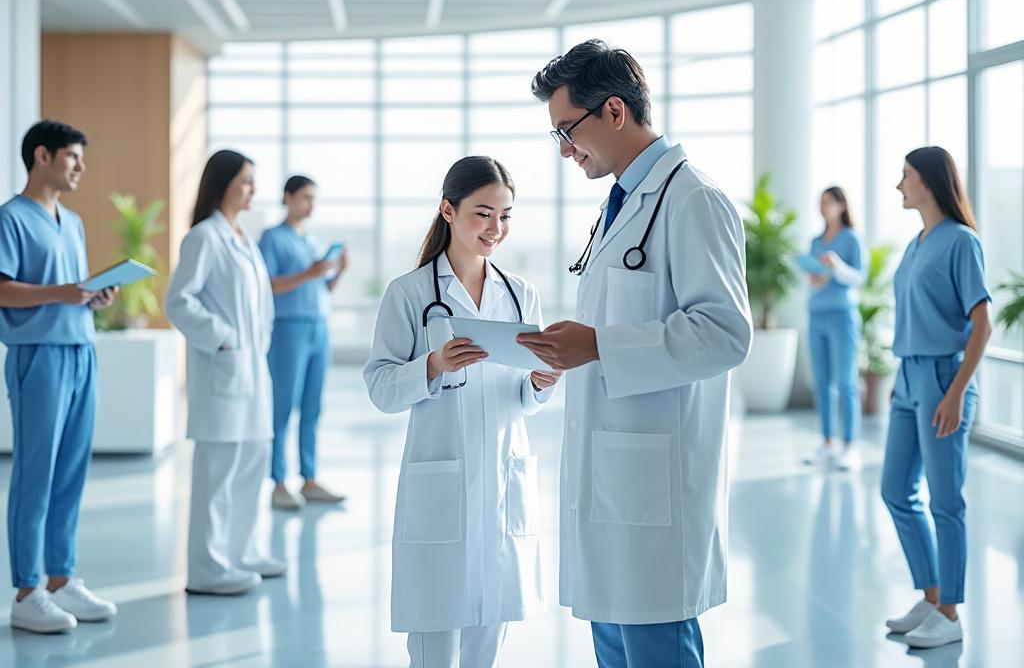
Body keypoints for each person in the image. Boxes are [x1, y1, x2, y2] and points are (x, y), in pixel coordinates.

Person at [519, 40, 752, 668]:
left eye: (567, 131)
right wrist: (571, 352)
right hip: (614, 475)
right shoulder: (620, 203)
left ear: (614, 111)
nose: (566, 150)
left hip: (655, 488)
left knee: (655, 649)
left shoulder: (693, 199)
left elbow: (725, 333)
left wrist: (596, 345)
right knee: (614, 647)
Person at [363, 156, 560, 668]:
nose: (496, 229)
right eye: (483, 213)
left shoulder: (521, 295)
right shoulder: (409, 294)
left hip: (502, 480)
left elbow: (523, 398)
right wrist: (431, 364)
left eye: (506, 215)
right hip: (440, 482)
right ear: (447, 210)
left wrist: (540, 383)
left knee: (487, 638)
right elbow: (381, 388)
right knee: (434, 640)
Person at [0, 120, 119, 633]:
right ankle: (26, 590)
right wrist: (63, 293)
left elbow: (71, 288)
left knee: (71, 470)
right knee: (36, 473)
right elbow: (2, 289)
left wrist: (94, 295)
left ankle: (60, 578)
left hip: (80, 349)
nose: (80, 168)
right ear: (42, 156)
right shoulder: (11, 218)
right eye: (73, 157)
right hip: (38, 355)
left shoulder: (72, 221)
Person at [880, 146, 991, 649]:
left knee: (946, 501)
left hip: (945, 378)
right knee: (894, 489)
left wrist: (955, 392)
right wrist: (903, 384)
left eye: (906, 175)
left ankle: (949, 612)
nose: (899, 184)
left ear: (928, 181)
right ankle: (930, 595)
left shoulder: (961, 242)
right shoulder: (914, 243)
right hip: (908, 376)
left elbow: (981, 326)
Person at [165, 149, 286, 595]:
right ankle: (207, 567)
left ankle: (242, 551)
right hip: (225, 369)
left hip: (252, 371)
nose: (253, 189)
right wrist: (223, 337)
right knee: (218, 471)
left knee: (251, 463)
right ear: (224, 183)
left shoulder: (242, 237)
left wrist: (254, 340)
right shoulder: (205, 237)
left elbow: (261, 304)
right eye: (246, 180)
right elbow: (179, 301)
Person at [259, 175, 348, 510]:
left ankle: (309, 479)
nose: (310, 205)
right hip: (288, 329)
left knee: (313, 407)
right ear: (288, 197)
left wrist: (337, 273)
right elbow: (267, 285)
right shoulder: (272, 237)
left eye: (314, 198)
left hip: (318, 327)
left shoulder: (313, 239)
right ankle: (278, 482)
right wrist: (309, 274)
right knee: (283, 406)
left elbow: (321, 288)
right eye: (305, 197)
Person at [803, 186, 866, 471]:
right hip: (817, 314)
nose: (822, 207)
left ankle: (850, 445)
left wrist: (837, 267)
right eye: (820, 202)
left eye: (828, 202)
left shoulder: (851, 239)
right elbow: (813, 276)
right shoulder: (816, 241)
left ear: (841, 205)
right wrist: (815, 277)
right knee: (822, 382)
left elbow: (859, 277)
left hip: (842, 315)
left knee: (846, 382)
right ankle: (828, 442)